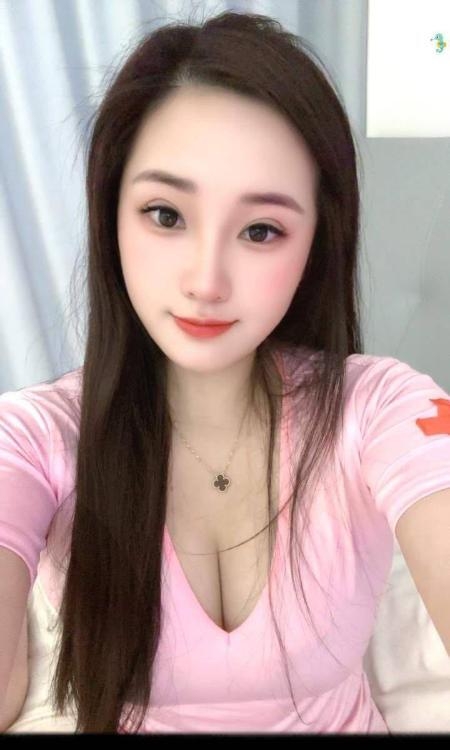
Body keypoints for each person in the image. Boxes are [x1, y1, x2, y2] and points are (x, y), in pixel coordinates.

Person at [0, 9, 449, 735]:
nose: (205, 282)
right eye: (165, 215)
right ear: (110, 216)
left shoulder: (381, 407)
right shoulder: (32, 438)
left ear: (316, 242)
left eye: (261, 230)